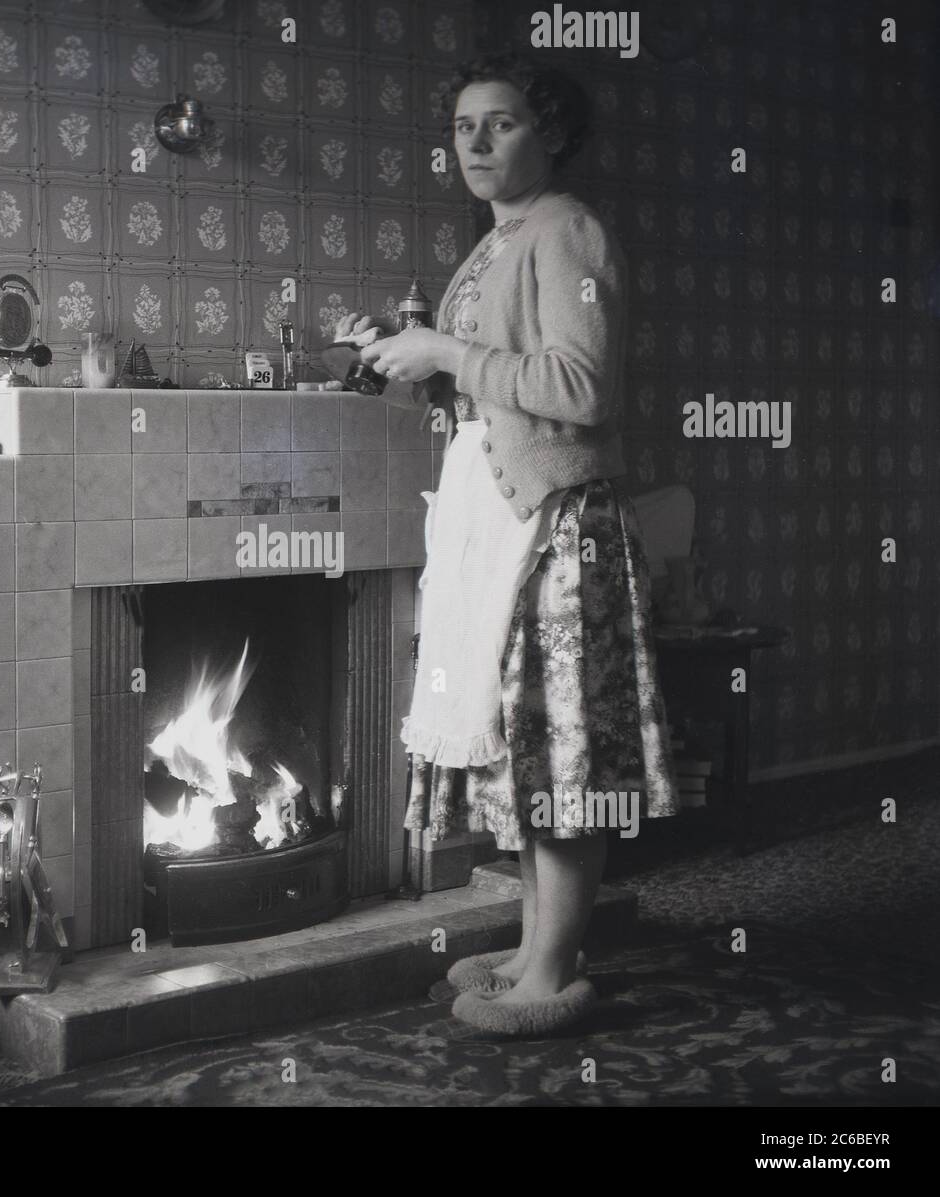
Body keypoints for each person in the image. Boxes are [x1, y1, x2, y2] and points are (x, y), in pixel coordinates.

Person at [334, 52, 680, 1038]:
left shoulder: (567, 229)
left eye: (501, 124)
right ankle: (533, 949)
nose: (476, 145)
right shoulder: (497, 242)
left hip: (559, 527)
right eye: (461, 129)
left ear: (553, 134)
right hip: (503, 517)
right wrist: (413, 358)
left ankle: (556, 969)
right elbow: (502, 384)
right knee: (529, 747)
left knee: (565, 749)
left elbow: (582, 391)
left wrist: (445, 351)